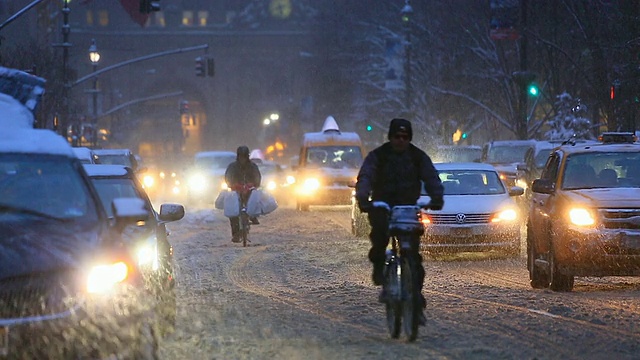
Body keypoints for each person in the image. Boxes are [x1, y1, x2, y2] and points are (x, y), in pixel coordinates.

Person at [355, 118, 444, 324]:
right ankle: (379, 267)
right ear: (391, 137)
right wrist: (363, 198)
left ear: (409, 138)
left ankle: (415, 298)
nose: (401, 141)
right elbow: (365, 176)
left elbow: (431, 178)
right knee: (378, 239)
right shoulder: (378, 156)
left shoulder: (418, 157)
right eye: (397, 136)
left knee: (413, 257)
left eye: (405, 137)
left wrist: (437, 197)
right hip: (382, 206)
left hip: (407, 209)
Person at [225, 145, 262, 243]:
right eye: (241, 156)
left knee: (254, 199)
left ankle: (253, 216)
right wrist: (233, 185)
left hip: (249, 190)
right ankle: (236, 234)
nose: (243, 159)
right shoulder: (232, 167)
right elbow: (228, 177)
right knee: (233, 210)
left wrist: (253, 185)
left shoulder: (253, 166)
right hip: (236, 190)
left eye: (244, 156)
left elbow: (257, 177)